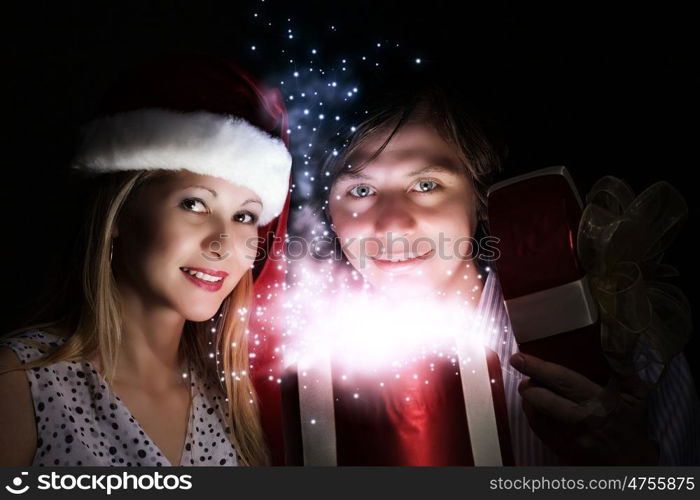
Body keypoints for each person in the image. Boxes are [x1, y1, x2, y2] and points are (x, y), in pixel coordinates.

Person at [312, 75, 700, 465]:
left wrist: (626, 460)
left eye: (426, 185)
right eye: (361, 191)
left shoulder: (616, 342)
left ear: (480, 198)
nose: (392, 224)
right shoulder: (308, 366)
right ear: (329, 211)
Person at [0, 54, 291, 466]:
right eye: (194, 204)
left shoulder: (234, 399)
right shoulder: (18, 383)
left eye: (244, 216)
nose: (224, 243)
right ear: (120, 213)